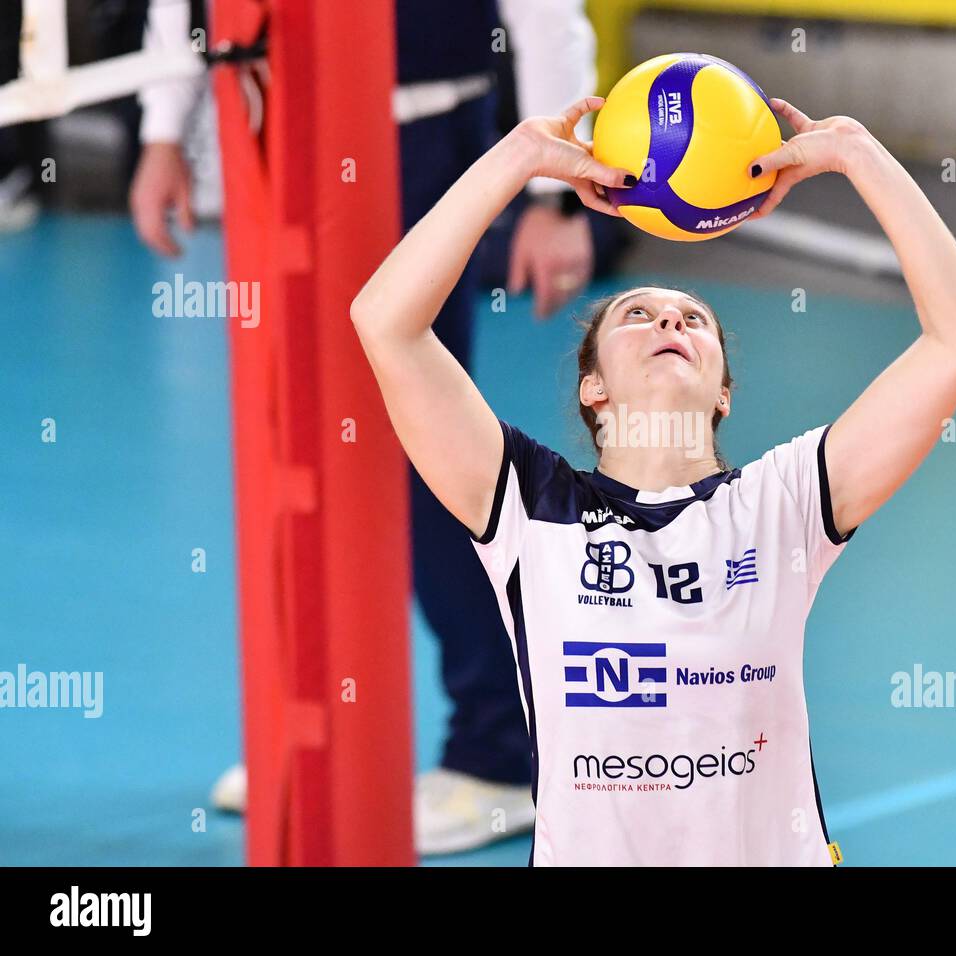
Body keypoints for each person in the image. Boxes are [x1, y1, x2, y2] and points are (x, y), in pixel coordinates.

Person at [355, 92, 956, 865]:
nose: (670, 322)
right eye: (637, 314)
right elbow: (386, 323)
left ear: (723, 391)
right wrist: (520, 156)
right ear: (592, 388)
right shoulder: (530, 509)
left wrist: (859, 154)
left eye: (693, 319)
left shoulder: (785, 503)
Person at [129, 0, 626, 854]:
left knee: (420, 448)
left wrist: (557, 195)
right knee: (305, 437)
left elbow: (541, 12)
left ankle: (503, 755)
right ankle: (314, 742)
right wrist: (164, 128)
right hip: (273, 135)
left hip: (422, 142)